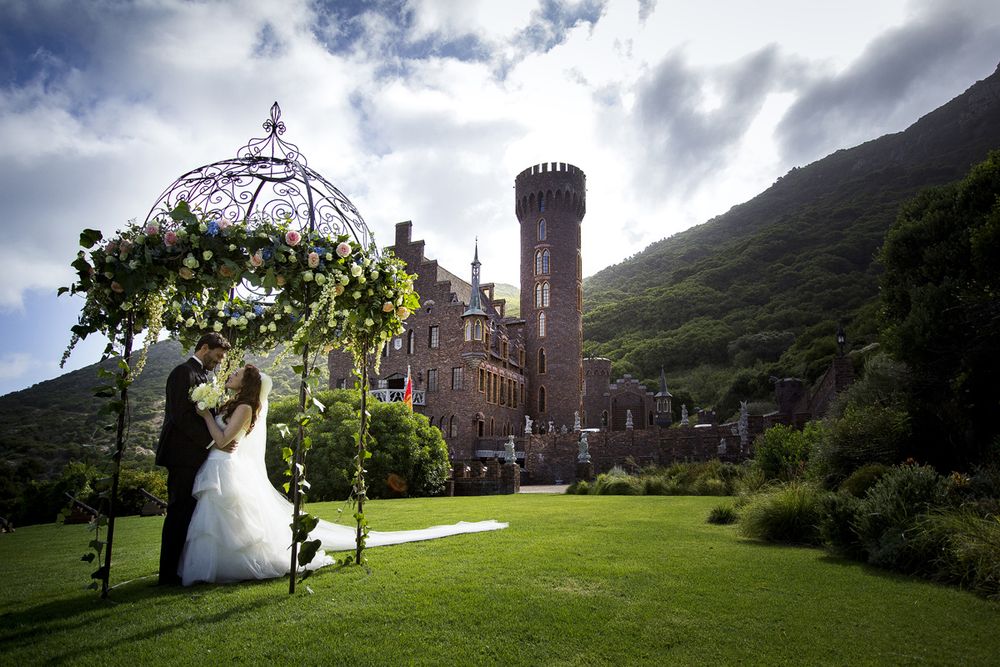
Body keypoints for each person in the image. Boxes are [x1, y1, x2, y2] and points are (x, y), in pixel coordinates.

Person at [179, 364, 508, 586]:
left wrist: (206, 415)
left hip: (224, 465)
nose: (231, 374)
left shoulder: (245, 408)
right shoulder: (237, 404)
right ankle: (212, 567)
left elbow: (223, 440)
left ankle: (225, 567)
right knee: (220, 521)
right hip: (221, 467)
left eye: (237, 373)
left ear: (247, 384)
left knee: (225, 520)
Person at [155, 332, 231, 586]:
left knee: (189, 512)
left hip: (196, 455)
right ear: (205, 348)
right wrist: (211, 442)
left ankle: (181, 568)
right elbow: (180, 415)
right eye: (218, 355)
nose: (219, 361)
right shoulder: (182, 373)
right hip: (182, 455)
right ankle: (167, 575)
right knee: (178, 511)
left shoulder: (203, 377)